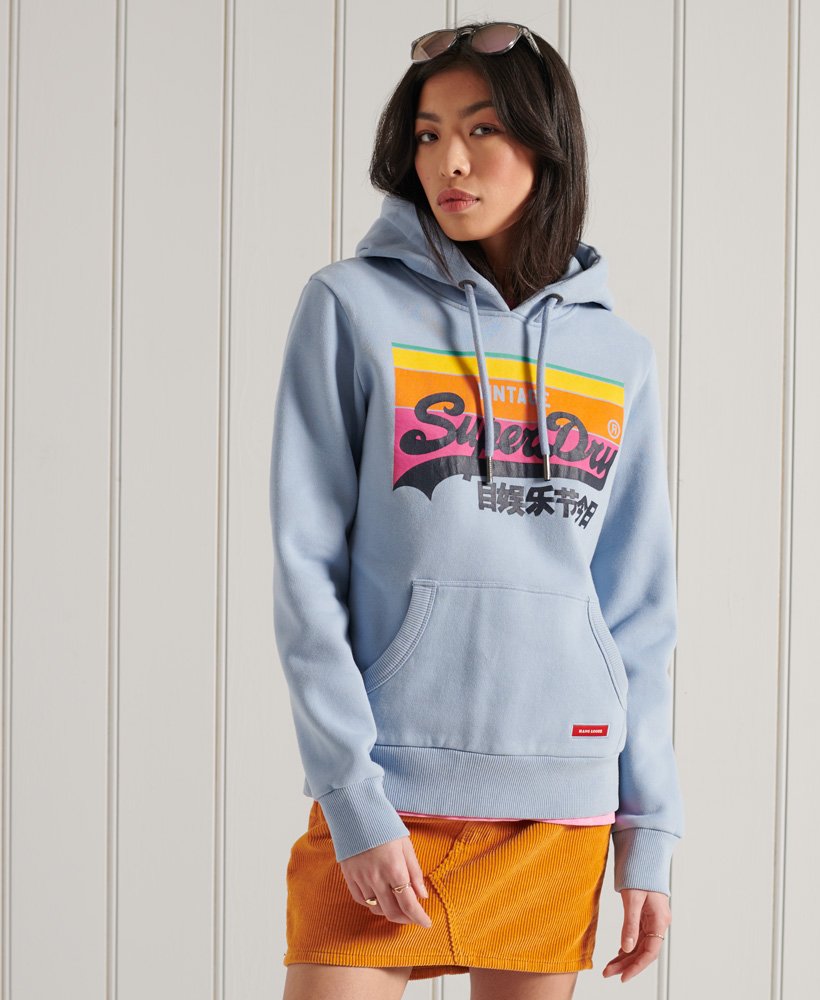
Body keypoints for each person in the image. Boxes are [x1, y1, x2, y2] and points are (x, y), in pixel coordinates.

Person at [269, 20, 684, 1000]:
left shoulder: (616, 355)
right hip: (390, 789)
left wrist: (649, 831)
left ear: (546, 141)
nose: (448, 161)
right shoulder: (351, 308)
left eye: (481, 129)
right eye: (427, 134)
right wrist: (352, 797)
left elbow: (637, 609)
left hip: (560, 802)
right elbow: (305, 570)